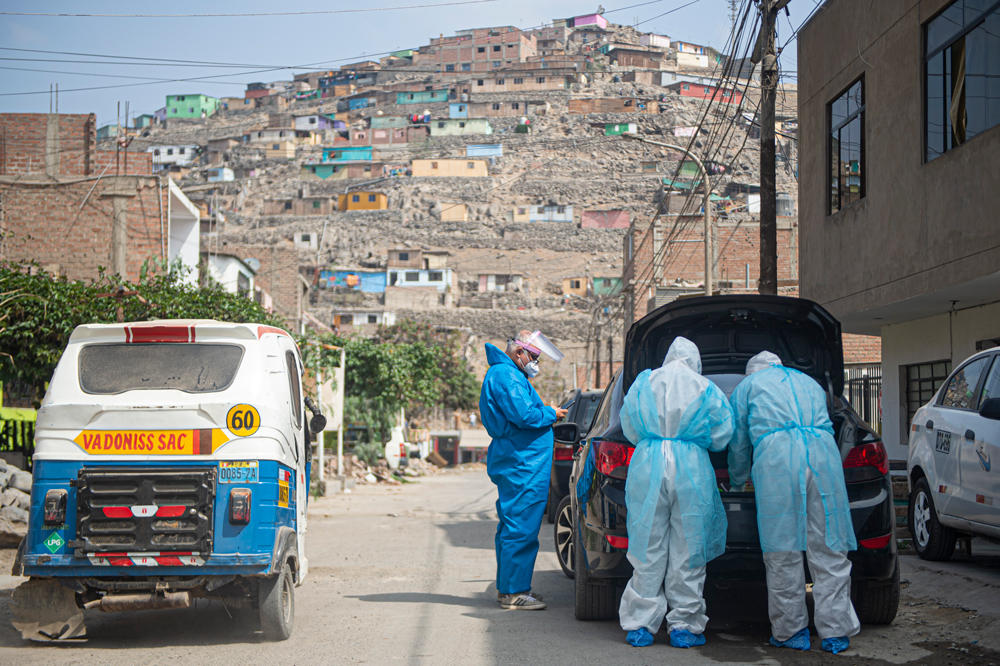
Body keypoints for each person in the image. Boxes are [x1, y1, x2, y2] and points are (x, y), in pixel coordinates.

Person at [728, 351, 859, 654]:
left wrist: (738, 480)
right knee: (829, 547)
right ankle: (835, 632)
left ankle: (791, 632)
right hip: (823, 455)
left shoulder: (748, 387)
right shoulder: (809, 382)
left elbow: (737, 441)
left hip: (778, 459)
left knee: (783, 548)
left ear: (752, 372)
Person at [618, 337, 734, 648]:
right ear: (696, 362)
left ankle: (640, 624)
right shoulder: (705, 387)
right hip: (691, 467)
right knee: (689, 547)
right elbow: (722, 434)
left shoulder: (646, 381)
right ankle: (685, 625)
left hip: (648, 464)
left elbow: (628, 427)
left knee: (647, 545)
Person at [479, 330, 568, 610]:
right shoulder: (506, 376)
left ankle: (510, 588)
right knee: (520, 527)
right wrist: (551, 413)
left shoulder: (509, 375)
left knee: (514, 525)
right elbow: (525, 415)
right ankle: (514, 593)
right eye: (535, 356)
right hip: (521, 462)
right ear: (519, 353)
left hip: (519, 460)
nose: (536, 363)